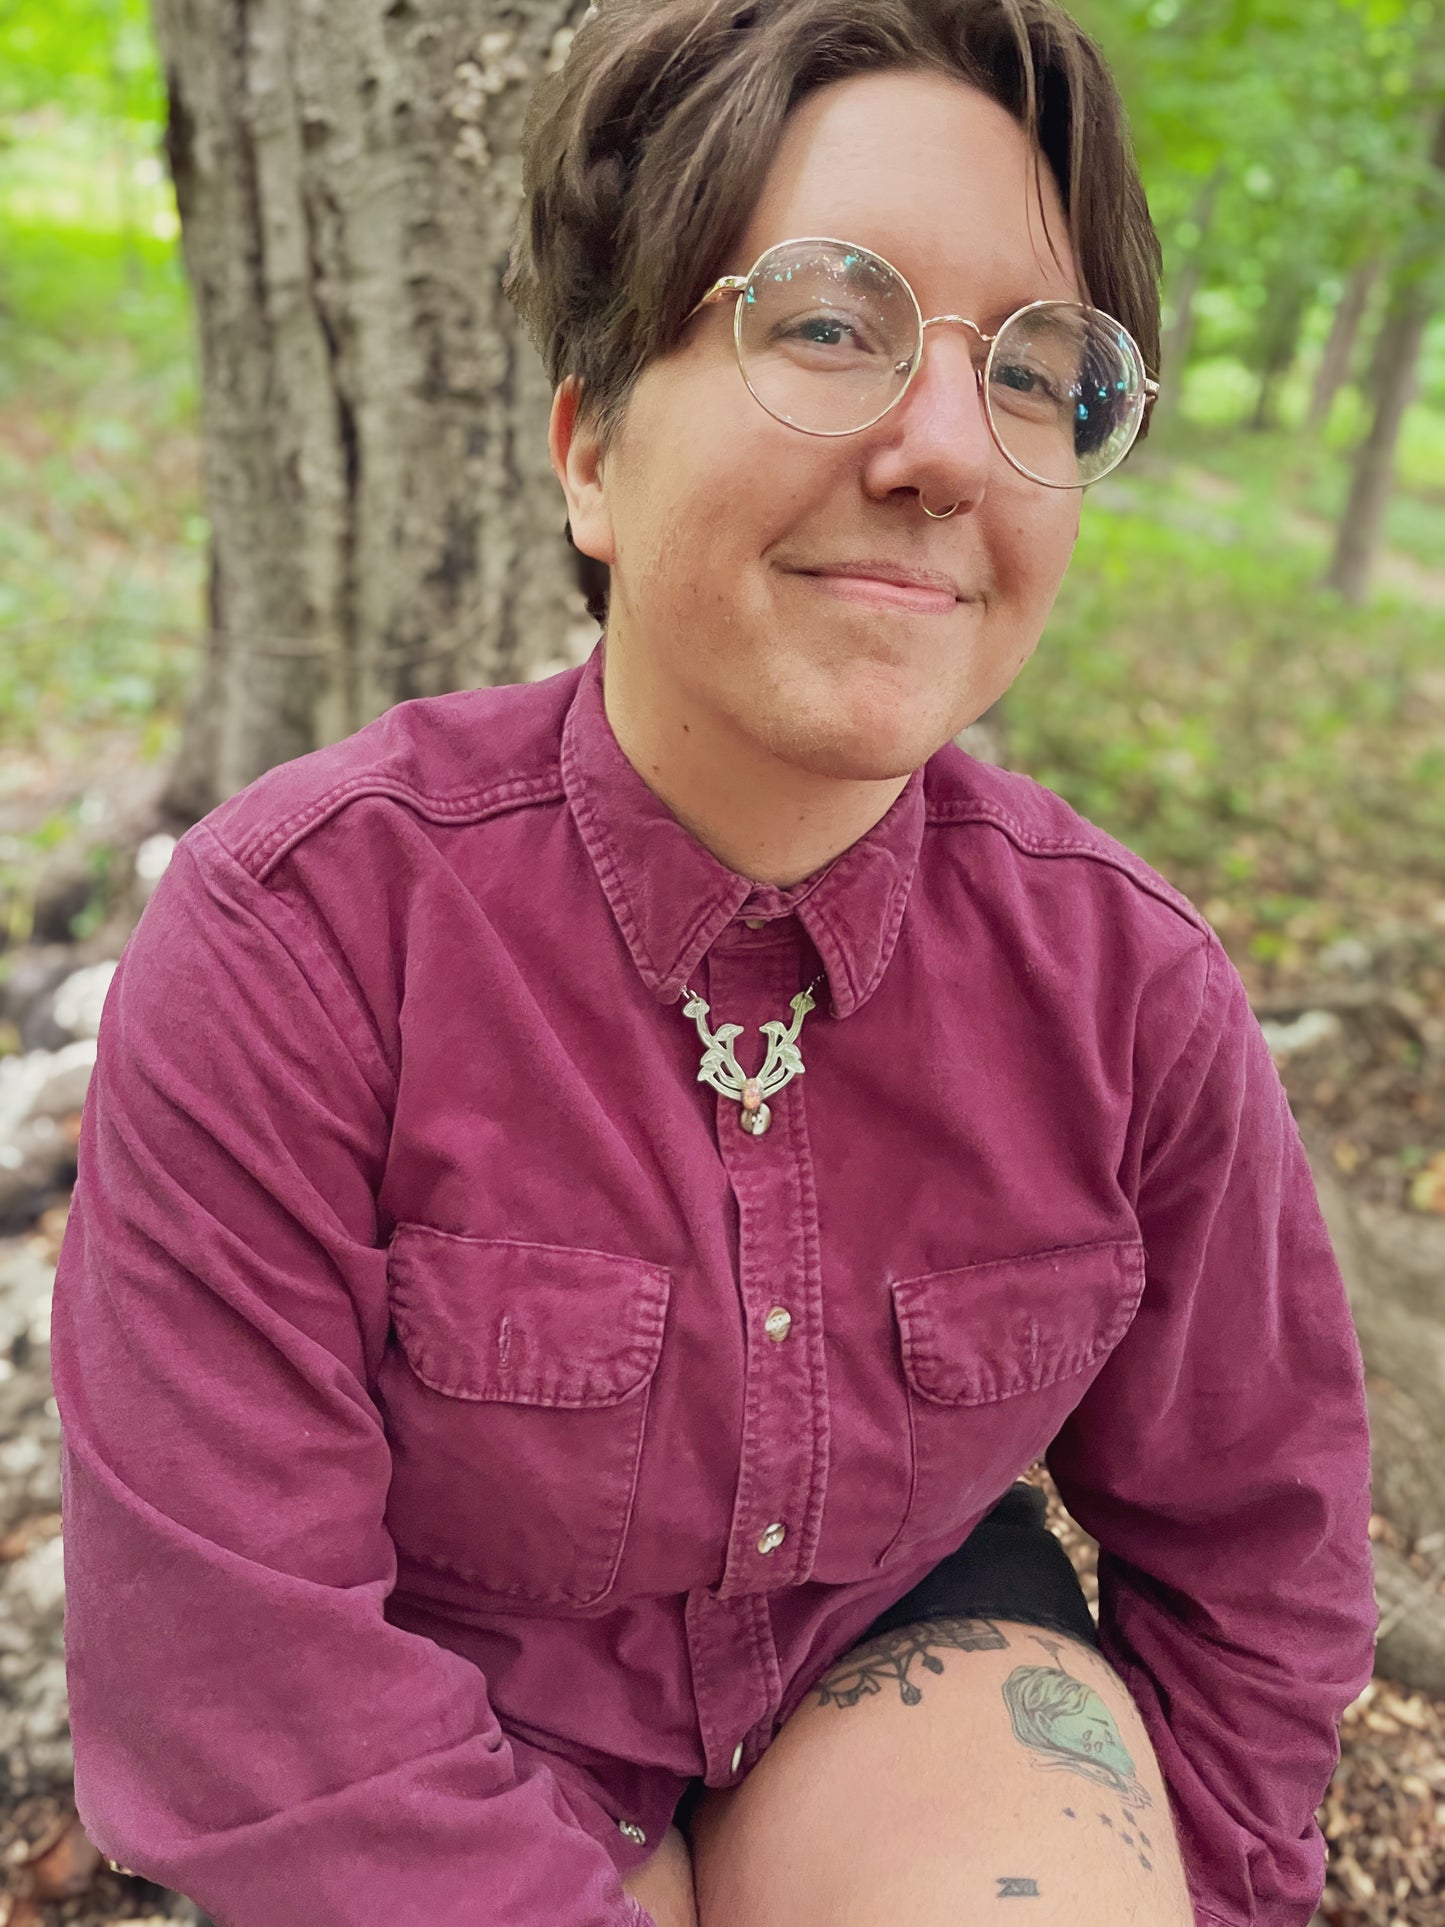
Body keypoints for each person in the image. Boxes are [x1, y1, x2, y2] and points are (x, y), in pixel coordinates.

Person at [50, 0, 1376, 1923]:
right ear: (589, 449)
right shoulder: (303, 937)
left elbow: (1261, 1543)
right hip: (456, 1711)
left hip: (889, 1657)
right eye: (829, 322)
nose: (944, 449)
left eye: (1034, 369)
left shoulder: (1132, 992)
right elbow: (233, 1675)